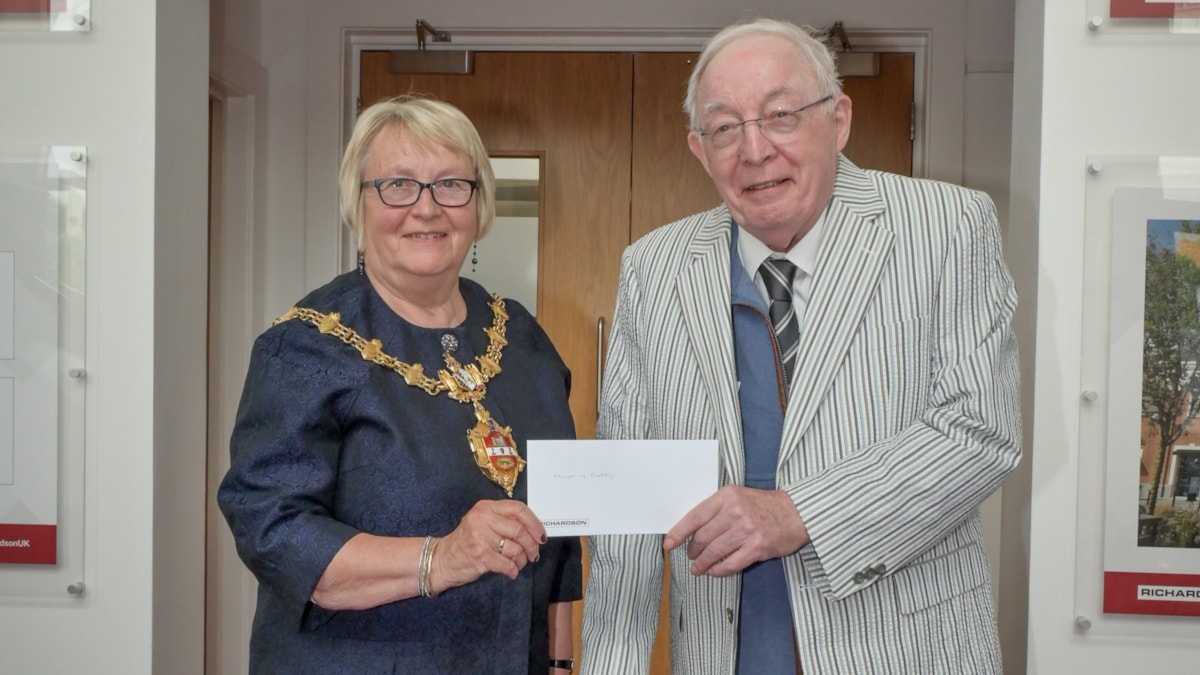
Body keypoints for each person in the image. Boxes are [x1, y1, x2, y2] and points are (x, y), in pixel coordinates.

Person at [581, 17, 1021, 675]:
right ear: (699, 148)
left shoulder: (947, 227)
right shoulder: (655, 267)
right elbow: (629, 503)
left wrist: (796, 514)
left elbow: (978, 433)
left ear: (837, 120)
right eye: (725, 127)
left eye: (781, 115)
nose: (754, 150)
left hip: (905, 651)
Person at [218, 95, 581, 674]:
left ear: (478, 202)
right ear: (359, 202)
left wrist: (560, 663)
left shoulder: (520, 337)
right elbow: (275, 534)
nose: (426, 208)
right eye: (398, 185)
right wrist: (441, 558)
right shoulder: (304, 347)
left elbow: (562, 521)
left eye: (450, 185)